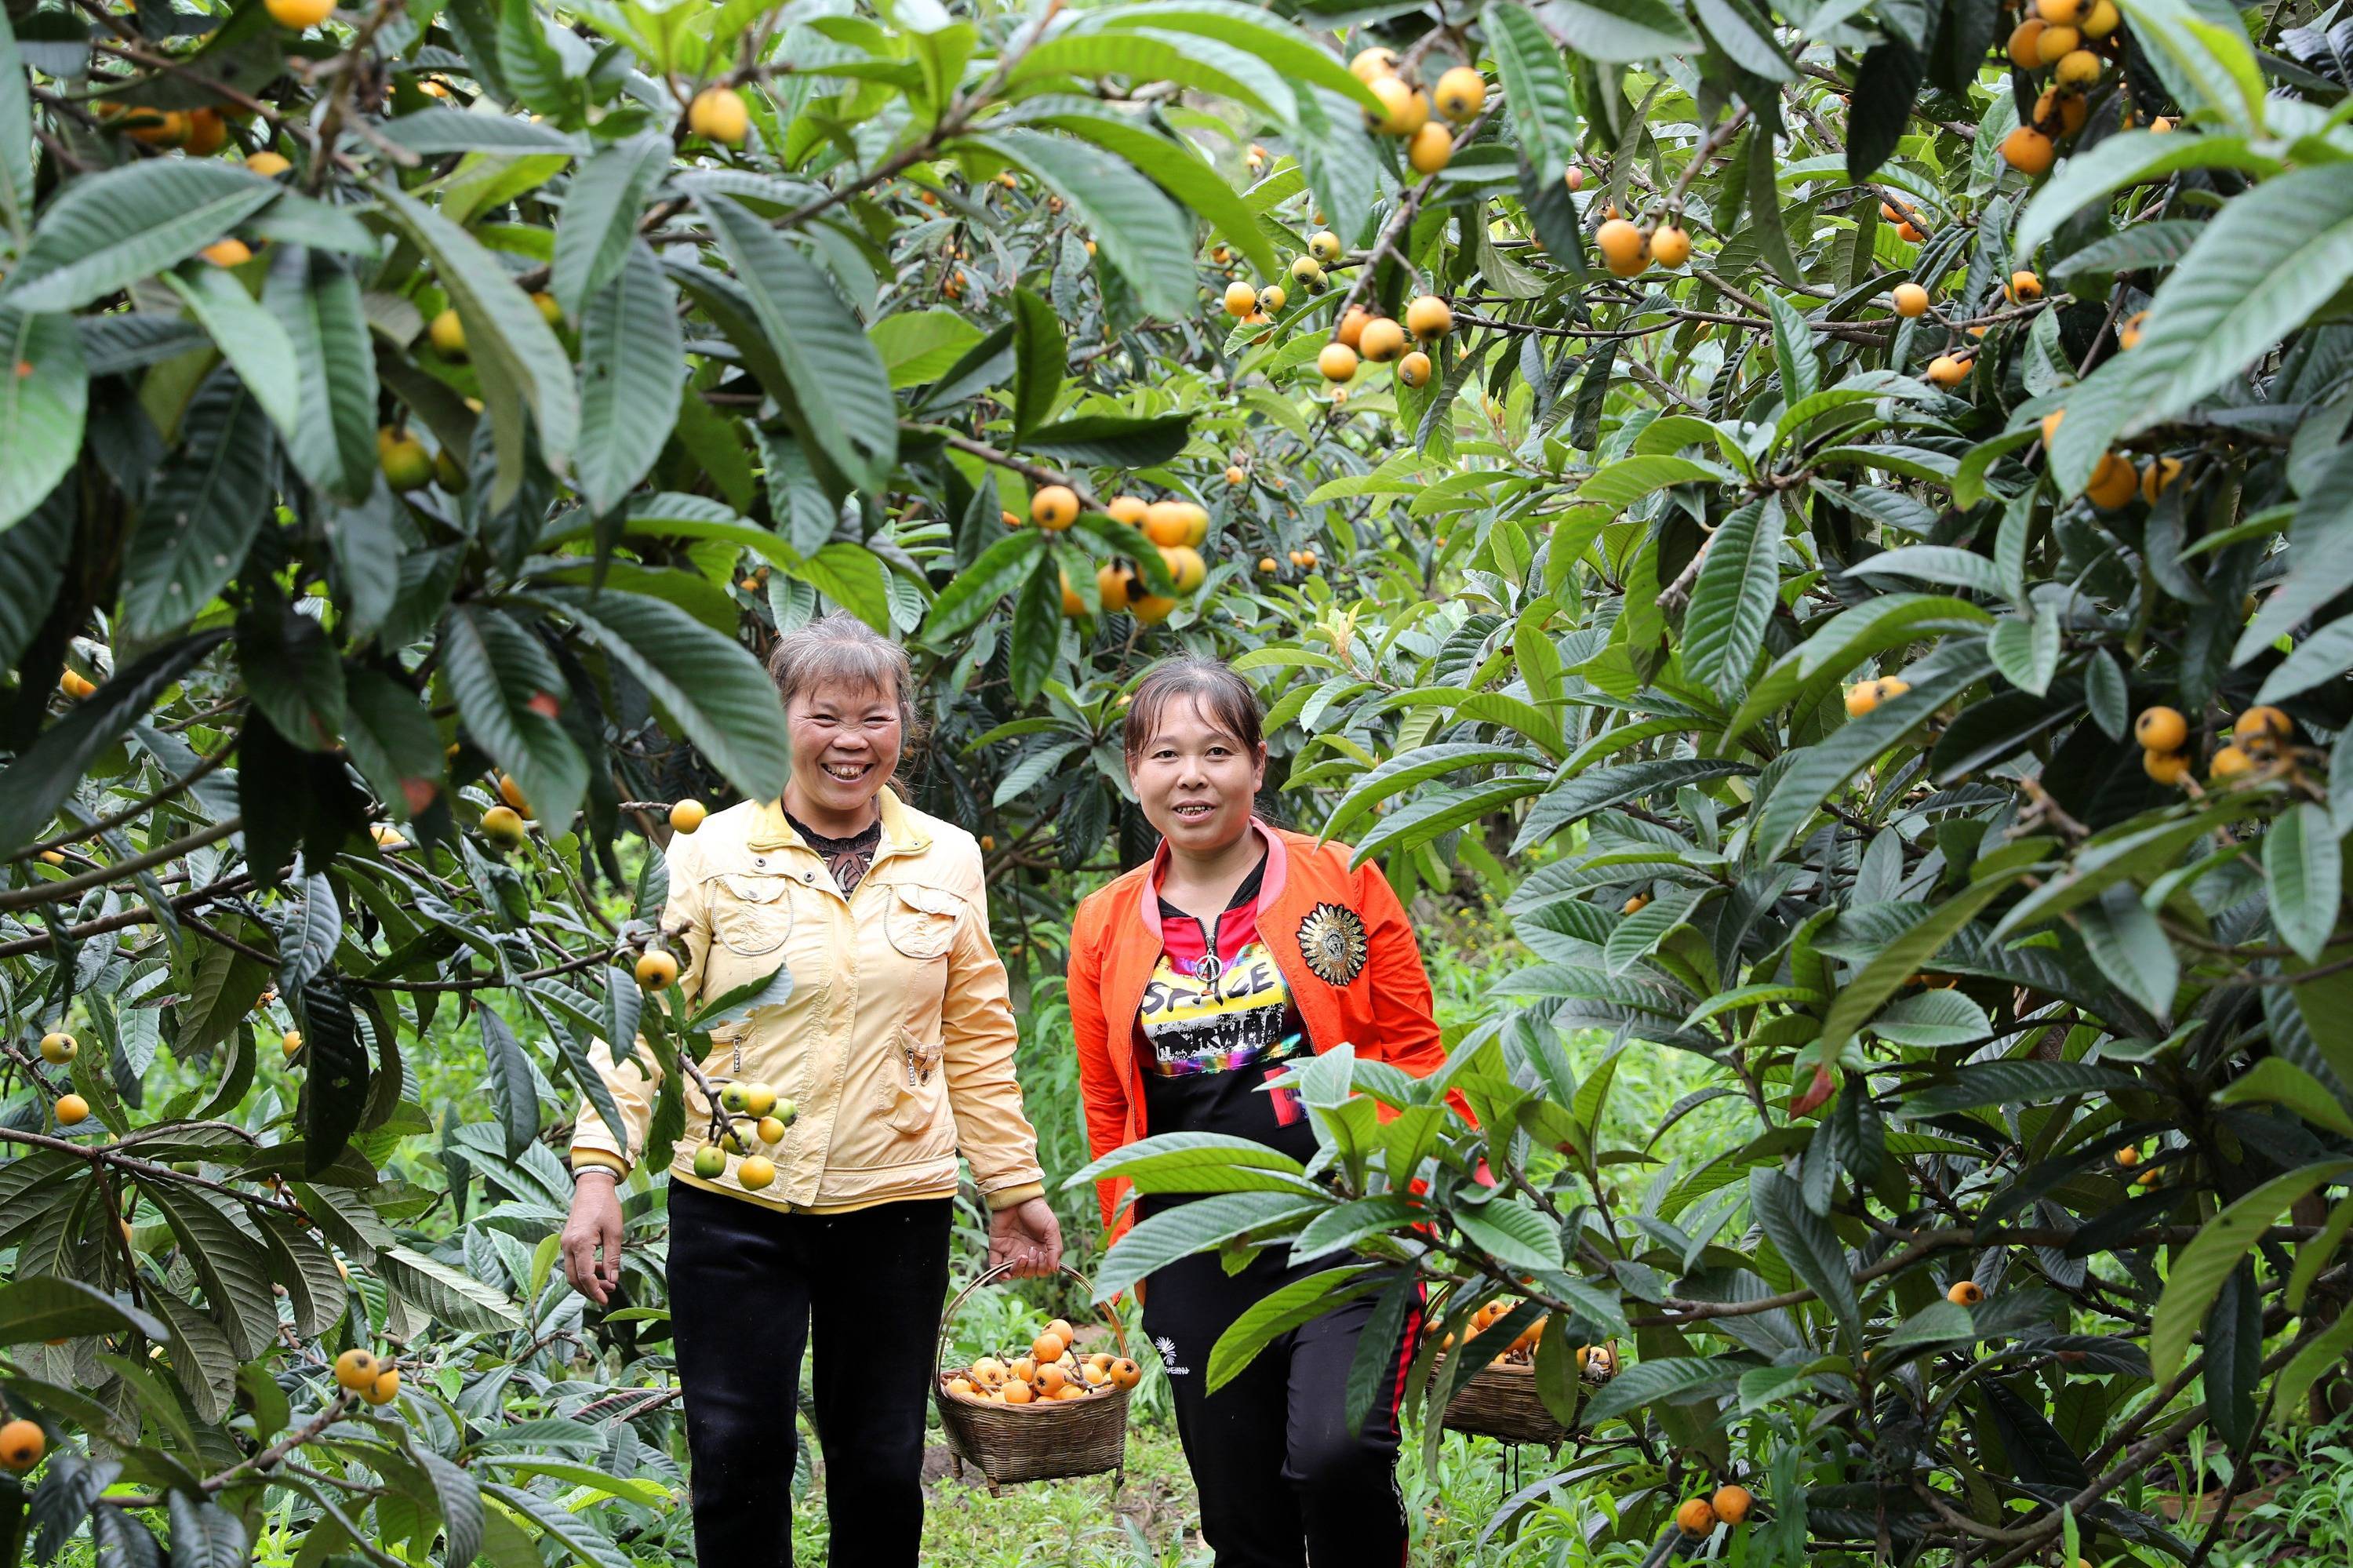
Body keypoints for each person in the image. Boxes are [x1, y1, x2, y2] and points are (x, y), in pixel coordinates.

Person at [559, 612, 1062, 1568]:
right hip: (735, 1197)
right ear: (775, 718)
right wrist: (597, 1169)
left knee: (878, 1461)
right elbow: (645, 1019)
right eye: (823, 715)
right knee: (738, 1448)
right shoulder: (709, 851)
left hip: (894, 1202)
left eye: (874, 718)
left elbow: (978, 1035)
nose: (849, 741)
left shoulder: (947, 857)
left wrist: (1014, 1187)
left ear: (903, 729)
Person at [1066, 656, 1450, 1568]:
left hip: (1347, 1220)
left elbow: (1413, 1050)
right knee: (1241, 1512)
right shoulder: (1105, 922)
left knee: (1336, 1454)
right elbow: (1108, 1099)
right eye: (1165, 753)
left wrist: (1438, 1198)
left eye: (1216, 750)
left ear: (1259, 763)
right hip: (1194, 1239)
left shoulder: (1342, 879)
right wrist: (1129, 1241)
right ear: (1133, 772)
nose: (1191, 775)